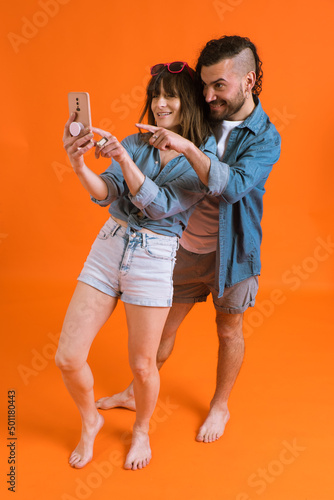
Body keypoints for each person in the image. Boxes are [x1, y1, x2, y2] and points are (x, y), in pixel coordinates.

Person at [96, 36, 282, 443]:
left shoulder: (265, 138)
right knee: (161, 330)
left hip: (233, 254)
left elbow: (231, 187)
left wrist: (185, 146)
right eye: (205, 85)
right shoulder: (201, 114)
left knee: (229, 330)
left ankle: (220, 406)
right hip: (180, 246)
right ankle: (135, 391)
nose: (209, 94)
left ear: (248, 81)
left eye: (220, 85)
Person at [55, 61, 218, 470]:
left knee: (144, 366)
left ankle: (142, 430)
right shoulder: (135, 142)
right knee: (67, 357)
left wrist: (126, 164)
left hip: (154, 255)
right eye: (155, 95)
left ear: (190, 102)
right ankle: (90, 420)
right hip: (110, 245)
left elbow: (163, 207)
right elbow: (107, 191)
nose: (159, 104)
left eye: (170, 95)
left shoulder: (201, 157)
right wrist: (79, 165)